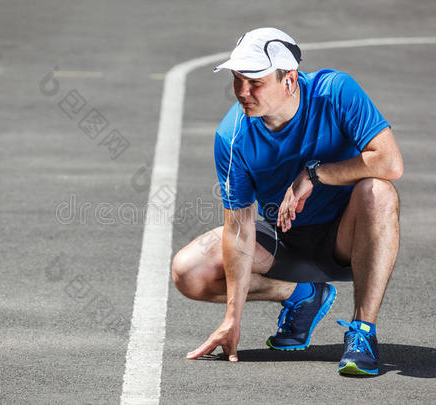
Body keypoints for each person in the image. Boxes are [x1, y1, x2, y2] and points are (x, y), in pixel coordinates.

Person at [171, 27, 403, 376]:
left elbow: (390, 162)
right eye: (237, 80)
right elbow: (239, 228)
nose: (242, 92)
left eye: (255, 83)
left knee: (379, 191)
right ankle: (302, 294)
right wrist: (232, 319)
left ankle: (363, 331)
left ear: (290, 80)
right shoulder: (232, 135)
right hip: (283, 239)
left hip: (345, 238)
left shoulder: (335, 93)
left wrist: (314, 174)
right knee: (189, 272)